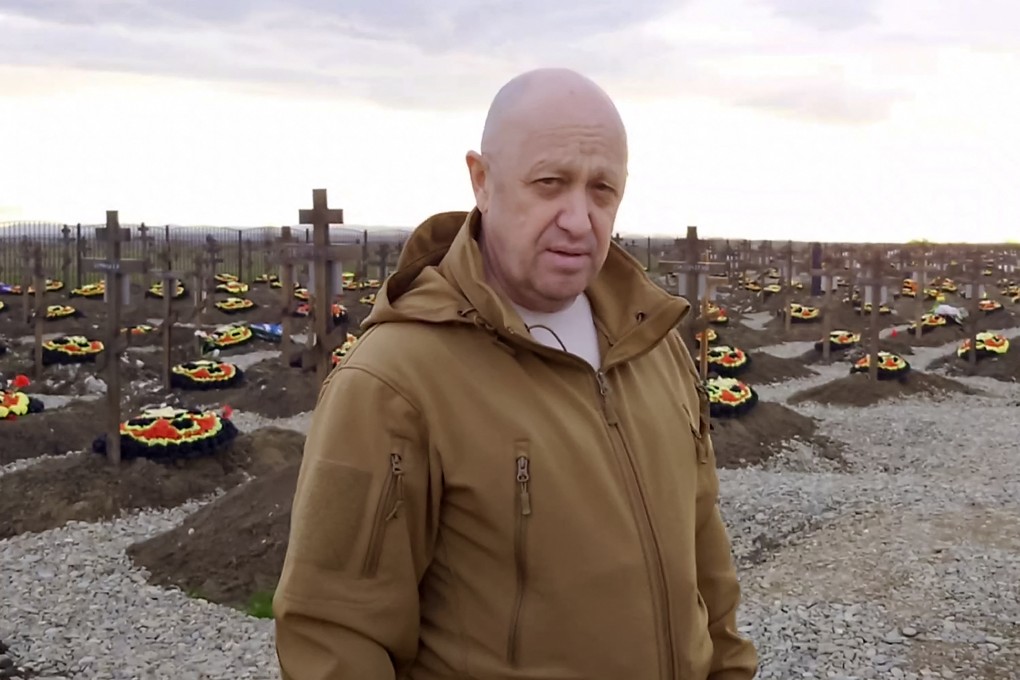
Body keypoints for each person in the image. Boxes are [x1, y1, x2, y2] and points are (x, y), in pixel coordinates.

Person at [273, 67, 759, 680]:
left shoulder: (653, 343)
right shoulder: (394, 382)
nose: (579, 219)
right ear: (482, 180)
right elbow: (335, 634)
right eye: (550, 183)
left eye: (602, 189)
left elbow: (704, 556)